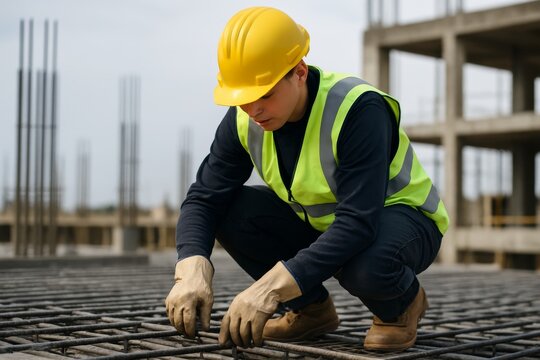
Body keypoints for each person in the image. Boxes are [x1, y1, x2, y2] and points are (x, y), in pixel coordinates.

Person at [165, 6, 449, 352]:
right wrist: (191, 265)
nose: (253, 110)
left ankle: (402, 305)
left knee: (365, 265)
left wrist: (268, 289)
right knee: (230, 211)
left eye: (265, 94)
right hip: (327, 224)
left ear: (299, 72)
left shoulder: (357, 110)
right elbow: (204, 198)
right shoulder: (245, 120)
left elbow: (358, 223)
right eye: (243, 99)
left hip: (401, 218)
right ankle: (311, 311)